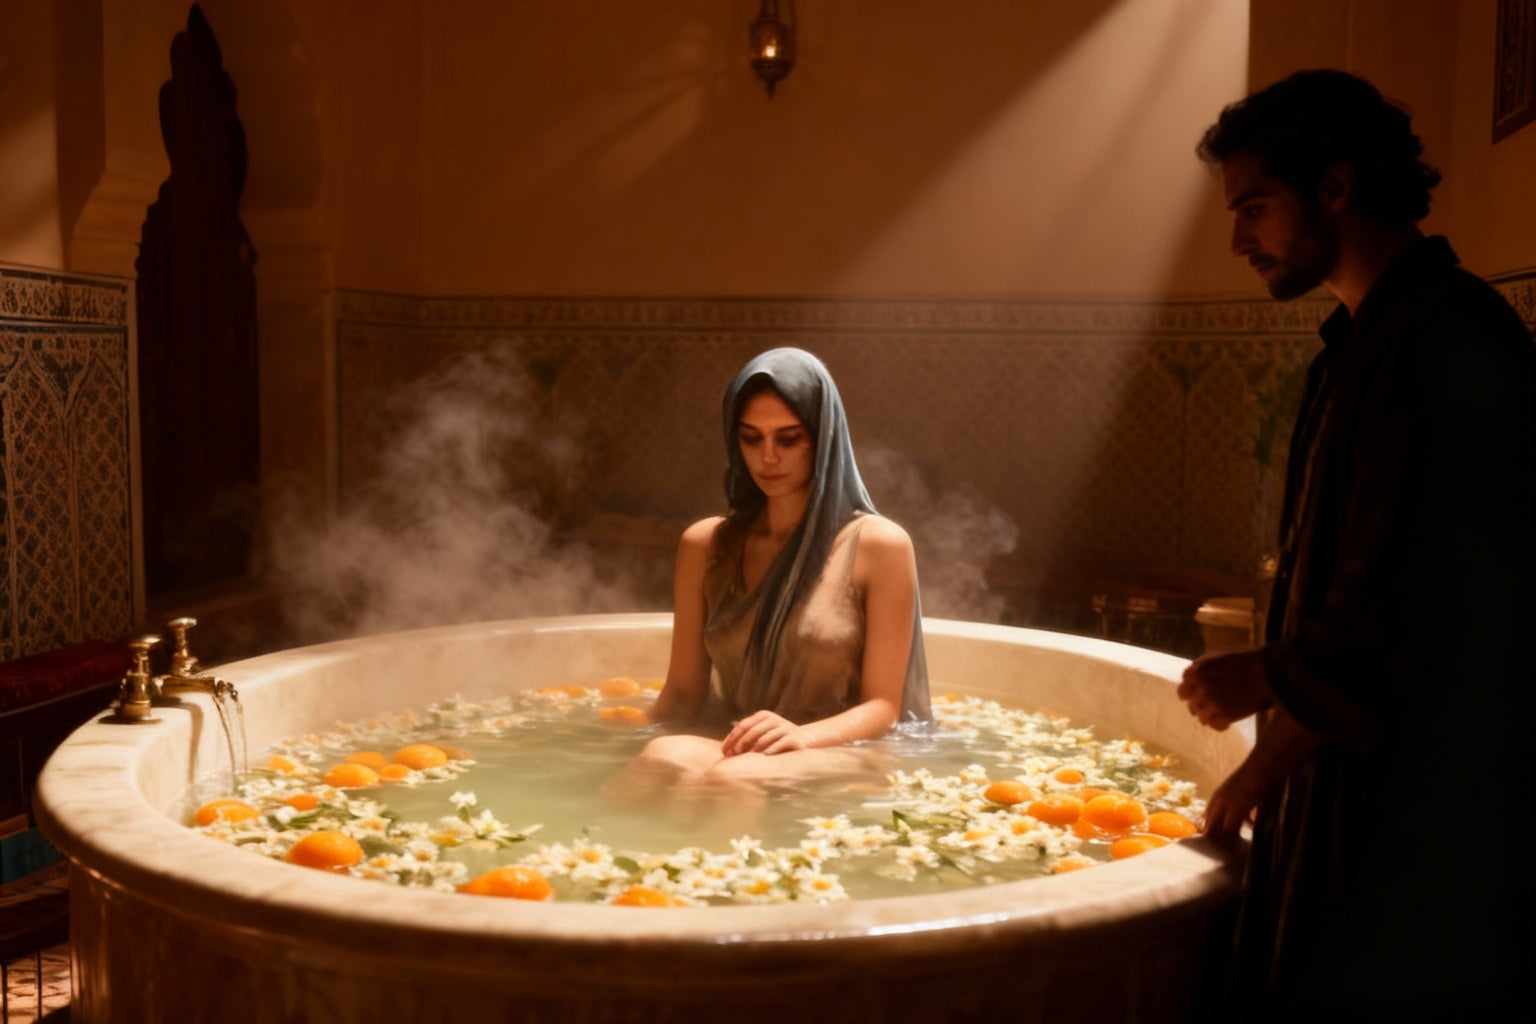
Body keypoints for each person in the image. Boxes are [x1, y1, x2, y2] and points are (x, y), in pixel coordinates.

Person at [1181, 69, 1534, 1021]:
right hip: (1367, 789)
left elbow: (1411, 604)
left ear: (1333, 189)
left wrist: (1265, 679)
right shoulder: (1367, 342)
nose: (1237, 238)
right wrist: (1261, 772)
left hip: (1432, 815)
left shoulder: (1447, 343)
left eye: (1255, 207)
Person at [638, 346, 931, 787]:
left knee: (737, 777)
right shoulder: (705, 545)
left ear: (823, 436)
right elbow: (682, 693)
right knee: (661, 756)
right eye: (751, 438)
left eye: (789, 438)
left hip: (843, 746)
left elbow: (884, 708)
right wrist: (596, 742)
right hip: (742, 740)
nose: (768, 457)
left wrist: (802, 735)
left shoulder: (879, 545)